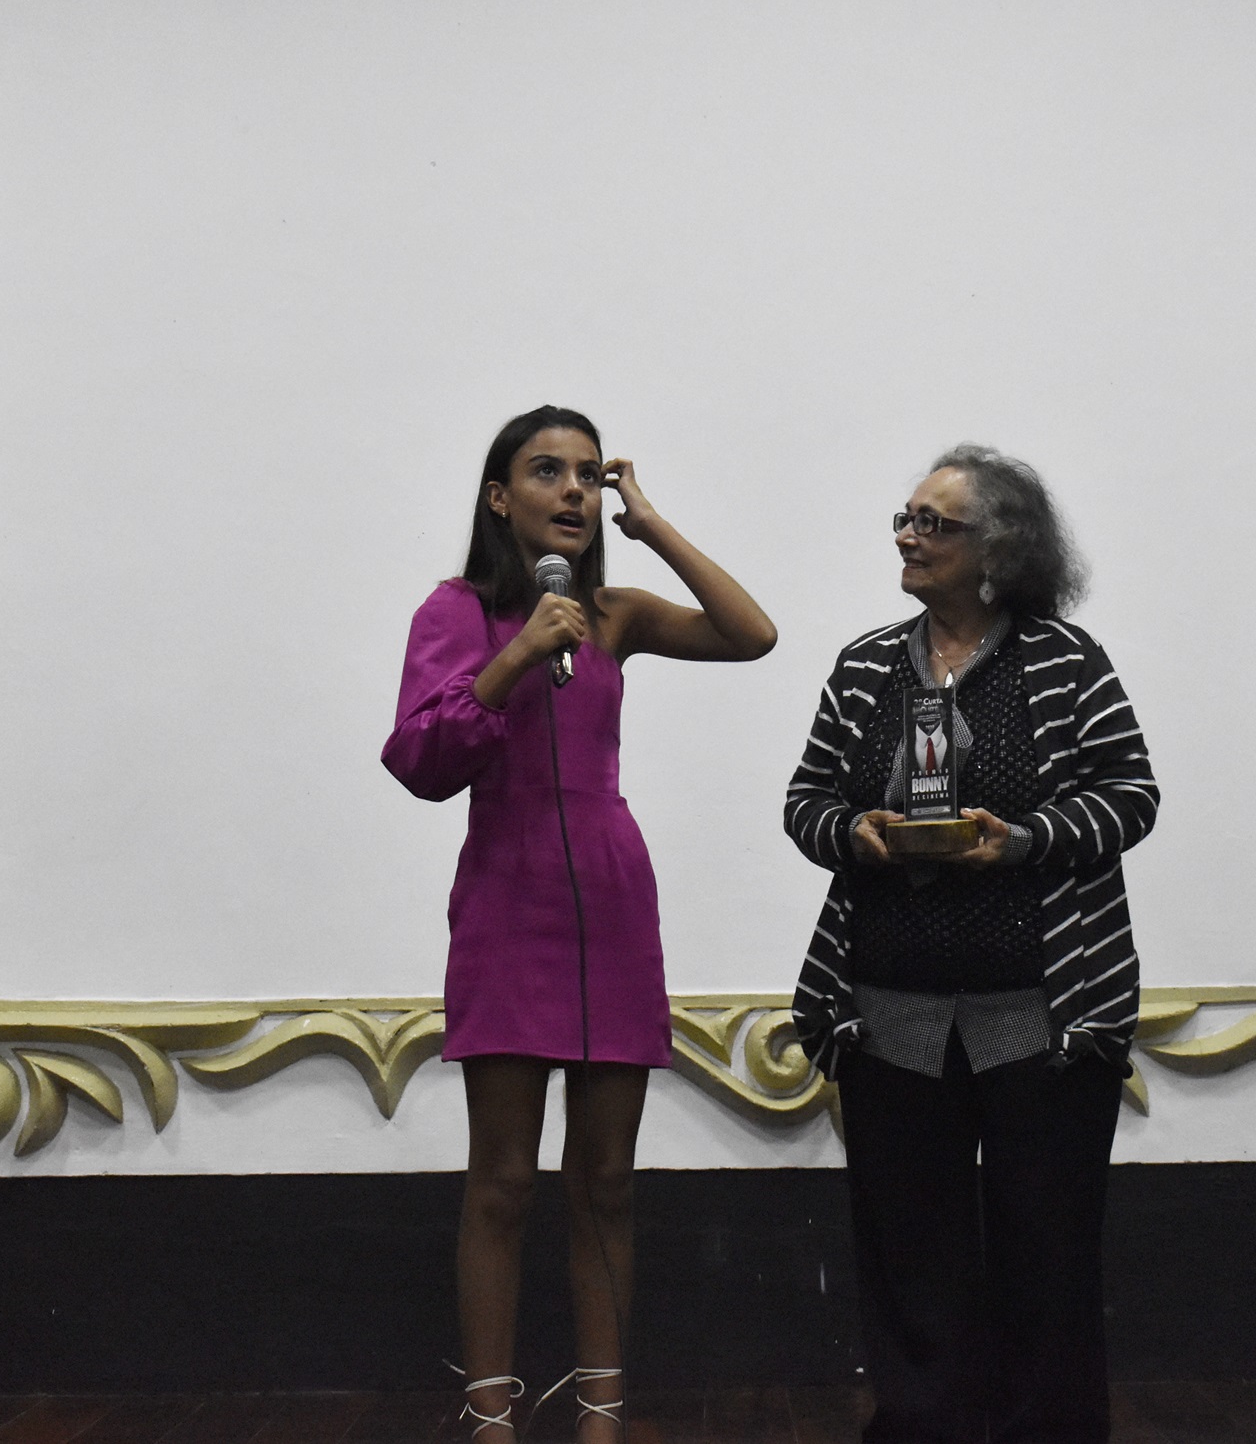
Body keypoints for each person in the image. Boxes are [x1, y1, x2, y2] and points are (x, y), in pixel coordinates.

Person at [381, 406, 777, 1441]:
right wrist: (516, 655)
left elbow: (753, 633)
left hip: (610, 897)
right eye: (547, 470)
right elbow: (420, 761)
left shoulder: (614, 613)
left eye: (589, 475)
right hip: (508, 895)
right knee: (503, 1181)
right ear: (498, 495)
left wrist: (654, 525)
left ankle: (602, 1418)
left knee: (606, 1181)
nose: (573, 490)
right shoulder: (456, 611)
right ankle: (492, 1420)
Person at [785, 446, 1158, 1444]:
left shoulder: (1066, 661)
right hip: (891, 1015)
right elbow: (806, 799)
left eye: (933, 523)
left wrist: (1023, 838)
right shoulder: (866, 666)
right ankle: (923, 1423)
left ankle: (1045, 1427)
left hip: (1042, 1014)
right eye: (905, 518)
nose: (908, 537)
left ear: (1000, 547)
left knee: (1047, 1245)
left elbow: (1132, 795)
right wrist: (853, 830)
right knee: (910, 1247)